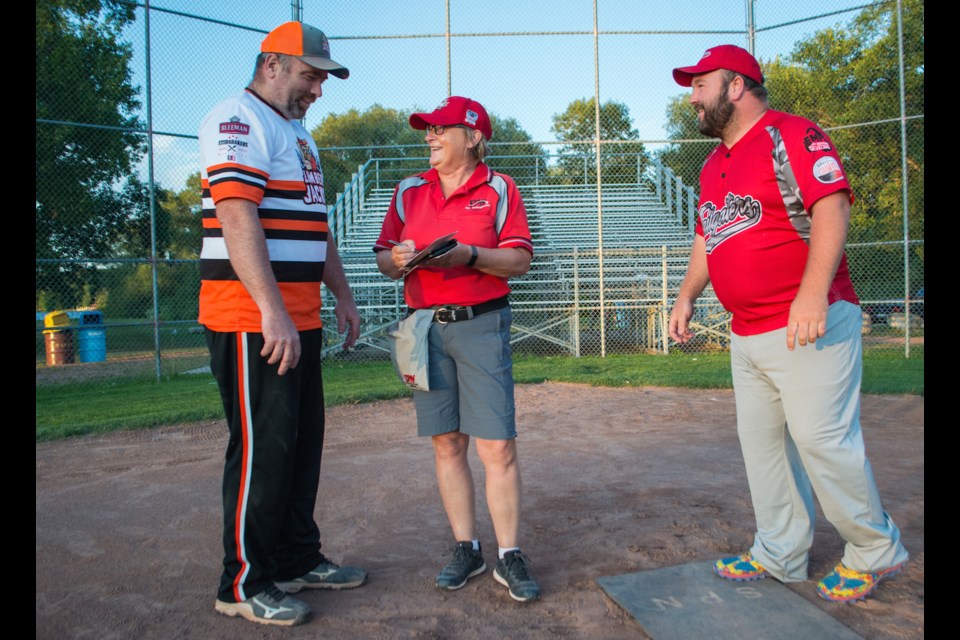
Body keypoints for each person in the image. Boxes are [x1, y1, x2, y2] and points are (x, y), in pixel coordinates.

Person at [667, 44, 909, 603]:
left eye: (700, 84)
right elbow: (710, 236)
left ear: (735, 86)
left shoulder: (791, 134)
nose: (692, 96)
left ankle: (876, 548)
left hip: (807, 324)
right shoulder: (711, 164)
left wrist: (811, 294)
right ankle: (781, 551)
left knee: (823, 441)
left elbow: (832, 204)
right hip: (746, 331)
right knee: (764, 448)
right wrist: (686, 295)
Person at [197, 21, 367, 627]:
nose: (319, 88)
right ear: (272, 64)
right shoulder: (236, 118)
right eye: (311, 74)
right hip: (251, 319)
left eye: (322, 77)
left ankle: (295, 556)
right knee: (262, 451)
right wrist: (271, 311)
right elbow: (239, 217)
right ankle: (243, 583)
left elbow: (313, 226)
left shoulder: (298, 135)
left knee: (301, 445)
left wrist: (341, 295)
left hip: (298, 317)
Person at [373, 96, 541, 603]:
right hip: (424, 329)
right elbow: (384, 258)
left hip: (481, 325)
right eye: (428, 130)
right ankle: (466, 547)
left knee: (497, 447)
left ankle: (509, 555)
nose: (430, 137)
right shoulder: (408, 191)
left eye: (441, 129)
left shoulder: (498, 187)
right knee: (446, 442)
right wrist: (399, 257)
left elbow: (518, 260)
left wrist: (467, 256)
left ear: (472, 137)